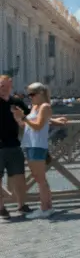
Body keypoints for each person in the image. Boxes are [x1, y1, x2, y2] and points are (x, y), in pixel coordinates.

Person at [11, 83, 63, 219]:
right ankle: (47, 206)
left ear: (41, 93)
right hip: (30, 144)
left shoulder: (45, 107)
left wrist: (23, 117)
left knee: (40, 179)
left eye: (32, 94)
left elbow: (39, 126)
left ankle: (45, 208)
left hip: (38, 145)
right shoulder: (34, 107)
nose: (30, 97)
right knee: (38, 177)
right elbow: (27, 125)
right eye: (28, 95)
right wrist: (18, 119)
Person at [0, 75, 32, 219]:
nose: (4, 88)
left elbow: (31, 118)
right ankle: (1, 208)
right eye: (1, 85)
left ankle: (22, 205)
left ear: (11, 85)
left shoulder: (17, 102)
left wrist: (20, 118)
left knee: (19, 176)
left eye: (6, 85)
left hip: (14, 144)